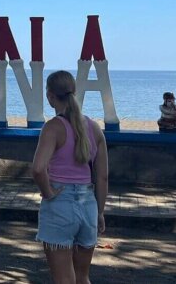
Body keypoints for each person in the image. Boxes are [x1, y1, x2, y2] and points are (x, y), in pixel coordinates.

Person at [31, 71, 109, 284]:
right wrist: (100, 211)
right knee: (82, 276)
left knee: (64, 278)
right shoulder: (94, 128)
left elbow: (38, 169)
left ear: (50, 96)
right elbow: (102, 177)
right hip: (88, 204)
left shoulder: (53, 127)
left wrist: (48, 193)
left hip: (60, 204)